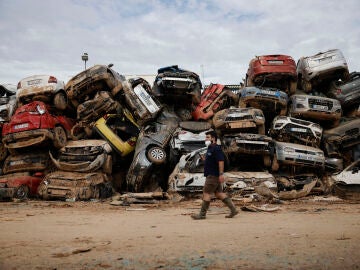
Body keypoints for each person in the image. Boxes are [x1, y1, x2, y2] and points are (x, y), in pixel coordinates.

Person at [191, 130, 238, 220]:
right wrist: (204, 160)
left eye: (208, 137)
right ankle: (233, 210)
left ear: (213, 138)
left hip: (213, 175)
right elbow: (212, 161)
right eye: (206, 137)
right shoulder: (210, 148)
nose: (206, 139)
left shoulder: (216, 148)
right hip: (212, 174)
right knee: (219, 193)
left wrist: (221, 174)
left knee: (206, 193)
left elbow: (221, 161)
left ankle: (202, 214)